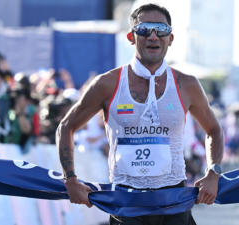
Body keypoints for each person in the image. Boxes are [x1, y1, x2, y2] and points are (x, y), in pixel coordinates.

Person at [56, 4, 224, 225]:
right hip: (127, 203)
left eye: (161, 29)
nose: (153, 36)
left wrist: (213, 173)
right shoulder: (108, 83)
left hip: (173, 201)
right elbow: (66, 127)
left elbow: (214, 130)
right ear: (131, 36)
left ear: (170, 38)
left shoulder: (187, 84)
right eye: (144, 29)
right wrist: (70, 179)